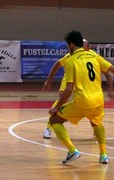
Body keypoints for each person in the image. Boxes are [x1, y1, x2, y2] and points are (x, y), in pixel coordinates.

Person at [49, 30, 114, 165]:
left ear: (71, 45)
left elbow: (68, 90)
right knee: (96, 123)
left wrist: (56, 107)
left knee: (54, 120)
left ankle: (72, 150)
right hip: (98, 100)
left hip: (83, 101)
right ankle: (103, 155)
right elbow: (111, 70)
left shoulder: (71, 61)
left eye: (67, 45)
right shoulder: (94, 56)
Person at [42, 39, 113, 139]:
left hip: (84, 79)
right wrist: (49, 80)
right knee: (61, 97)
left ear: (88, 48)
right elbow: (56, 65)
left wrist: (110, 89)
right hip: (70, 77)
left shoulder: (94, 56)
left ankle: (96, 127)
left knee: (91, 101)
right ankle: (48, 128)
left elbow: (107, 73)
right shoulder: (71, 56)